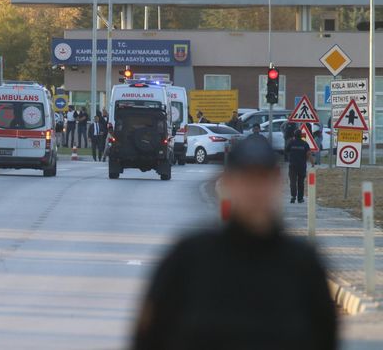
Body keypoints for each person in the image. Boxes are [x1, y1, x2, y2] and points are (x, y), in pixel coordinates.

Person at [132, 135, 337, 350]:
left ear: (278, 182)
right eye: (246, 179)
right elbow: (148, 337)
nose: (254, 190)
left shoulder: (302, 265)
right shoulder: (189, 260)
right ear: (227, 183)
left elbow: (325, 337)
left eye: (263, 178)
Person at [285, 129, 314, 204]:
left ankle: (293, 196)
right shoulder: (305, 143)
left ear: (294, 136)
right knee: (301, 182)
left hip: (292, 165)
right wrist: (312, 163)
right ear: (301, 136)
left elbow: (286, 150)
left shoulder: (291, 142)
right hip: (302, 166)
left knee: (293, 182)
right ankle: (300, 198)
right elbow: (309, 154)